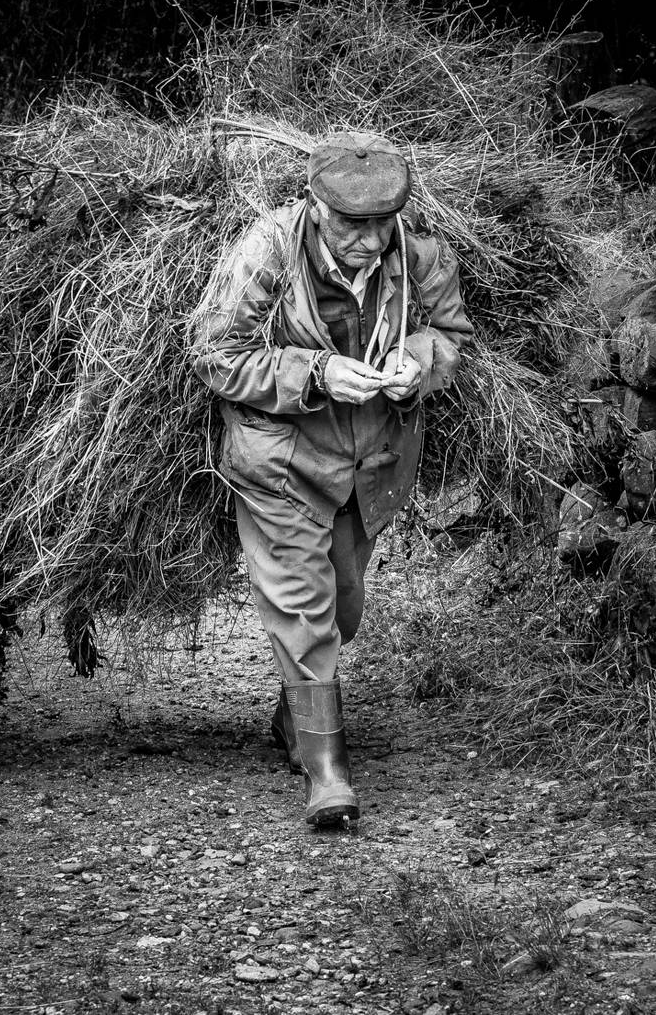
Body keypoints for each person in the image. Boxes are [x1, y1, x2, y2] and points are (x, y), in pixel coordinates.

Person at [192, 131, 473, 829]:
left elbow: (452, 337)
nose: (370, 242)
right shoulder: (266, 253)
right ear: (316, 206)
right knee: (304, 610)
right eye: (353, 224)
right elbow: (215, 355)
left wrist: (418, 363)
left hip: (370, 467)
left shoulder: (421, 255)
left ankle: (298, 711)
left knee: (343, 609)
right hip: (282, 463)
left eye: (383, 223)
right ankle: (327, 772)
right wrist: (315, 372)